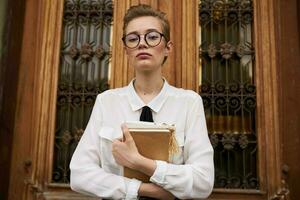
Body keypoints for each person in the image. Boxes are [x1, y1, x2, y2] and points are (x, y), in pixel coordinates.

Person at [70, 4, 214, 200]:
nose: (142, 44)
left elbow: (203, 181)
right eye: (133, 38)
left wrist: (139, 162)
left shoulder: (189, 103)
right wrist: (140, 189)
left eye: (152, 37)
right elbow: (79, 174)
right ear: (126, 50)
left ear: (167, 48)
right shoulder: (107, 101)